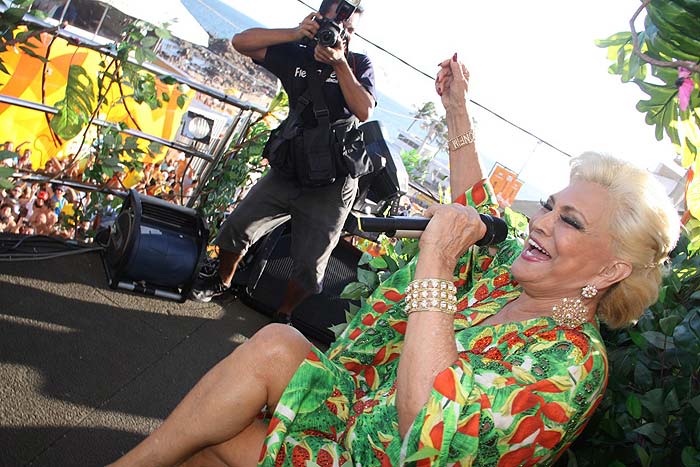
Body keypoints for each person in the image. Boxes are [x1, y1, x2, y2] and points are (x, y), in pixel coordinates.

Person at [109, 58, 680, 466]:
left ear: (610, 272)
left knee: (213, 441)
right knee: (275, 345)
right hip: (356, 412)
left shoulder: (571, 368)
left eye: (569, 222)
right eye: (550, 207)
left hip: (389, 452)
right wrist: (457, 108)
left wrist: (434, 263)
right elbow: (476, 204)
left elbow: (430, 429)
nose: (541, 222)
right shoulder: (516, 275)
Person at [190, 0, 376, 326]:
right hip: (291, 165)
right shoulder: (297, 51)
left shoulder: (358, 63)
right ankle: (223, 282)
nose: (339, 35)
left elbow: (364, 110)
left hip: (334, 180)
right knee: (237, 226)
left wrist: (340, 65)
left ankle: (284, 314)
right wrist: (294, 32)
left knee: (310, 265)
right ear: (317, 20)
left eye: (348, 31)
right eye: (333, 26)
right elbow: (240, 42)